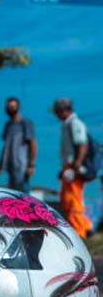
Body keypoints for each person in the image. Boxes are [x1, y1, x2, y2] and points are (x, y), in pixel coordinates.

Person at [53, 97, 93, 238]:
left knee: (72, 199)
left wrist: (76, 164)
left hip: (74, 166)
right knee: (67, 198)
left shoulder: (75, 123)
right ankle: (85, 227)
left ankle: (79, 232)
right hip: (69, 166)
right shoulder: (67, 124)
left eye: (57, 111)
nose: (56, 115)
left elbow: (82, 144)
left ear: (63, 110)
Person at [0, 96, 37, 193]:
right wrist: (0, 165)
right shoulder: (8, 125)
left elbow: (33, 144)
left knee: (23, 197)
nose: (10, 109)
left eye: (13, 107)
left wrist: (32, 165)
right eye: (8, 107)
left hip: (22, 167)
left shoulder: (25, 123)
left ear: (18, 108)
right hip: (10, 168)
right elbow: (5, 147)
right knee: (12, 196)